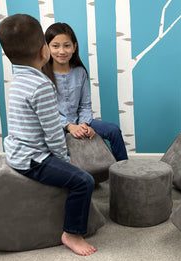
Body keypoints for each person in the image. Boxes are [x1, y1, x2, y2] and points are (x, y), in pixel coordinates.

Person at [0, 14, 96, 256]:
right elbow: (53, 134)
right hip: (33, 158)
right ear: (44, 51)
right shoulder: (42, 86)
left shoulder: (19, 77)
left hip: (17, 150)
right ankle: (71, 233)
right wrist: (65, 160)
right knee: (84, 181)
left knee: (77, 175)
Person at [42, 22, 128, 161]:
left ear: (74, 47)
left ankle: (123, 171)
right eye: (55, 46)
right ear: (47, 47)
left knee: (113, 130)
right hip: (57, 126)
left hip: (80, 121)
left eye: (67, 45)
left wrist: (84, 124)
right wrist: (70, 127)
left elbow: (85, 105)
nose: (62, 51)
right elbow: (46, 111)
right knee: (58, 143)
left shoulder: (80, 72)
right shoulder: (43, 76)